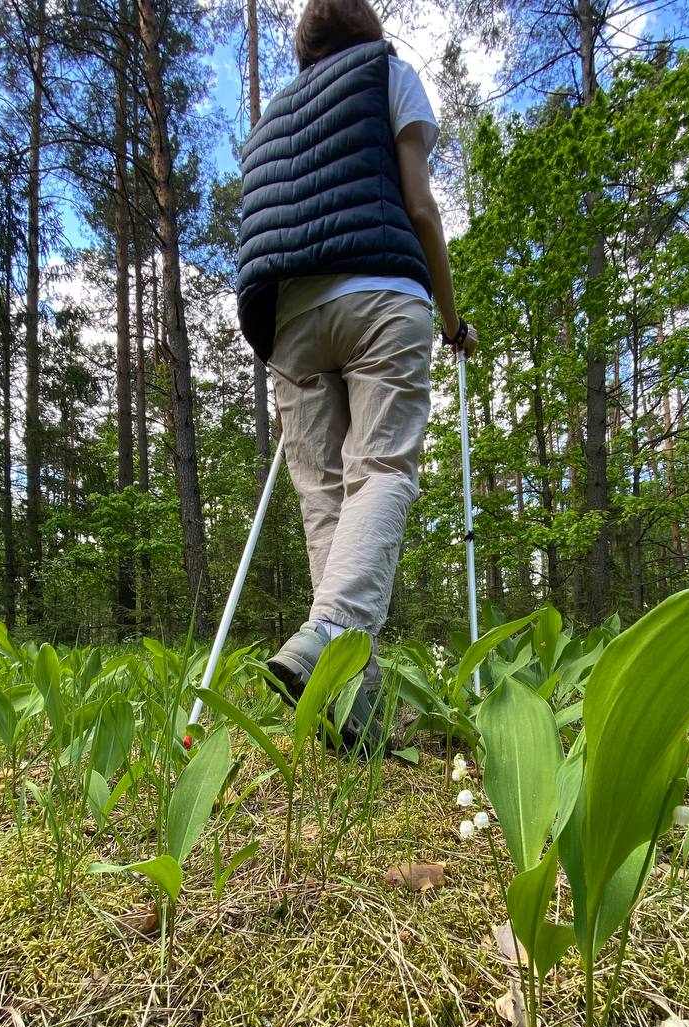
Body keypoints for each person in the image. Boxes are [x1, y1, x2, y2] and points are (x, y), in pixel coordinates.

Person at [236, 0, 476, 744]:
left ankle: (353, 709)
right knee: (383, 471)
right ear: (367, 30)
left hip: (290, 320)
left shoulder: (274, 116)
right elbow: (420, 206)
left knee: (326, 504)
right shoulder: (387, 73)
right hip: (381, 295)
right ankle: (333, 633)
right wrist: (450, 315)